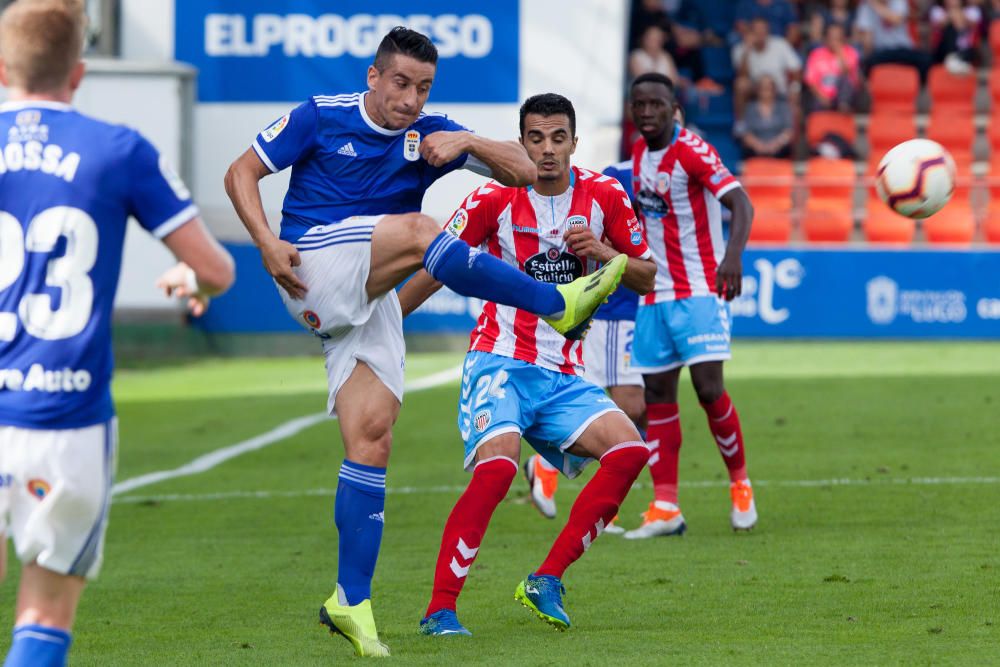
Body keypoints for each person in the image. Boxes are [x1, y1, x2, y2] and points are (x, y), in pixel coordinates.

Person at [222, 28, 626, 658]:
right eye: (401, 83)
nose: (411, 100)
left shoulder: (431, 132)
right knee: (419, 231)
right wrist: (264, 242)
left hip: (367, 297)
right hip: (310, 263)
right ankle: (558, 301)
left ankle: (349, 601)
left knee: (373, 437)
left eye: (423, 87)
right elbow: (240, 172)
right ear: (373, 77)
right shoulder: (319, 117)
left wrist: (465, 140)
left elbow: (522, 172)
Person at [0, 2, 235, 666]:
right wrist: (192, 280)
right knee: (43, 613)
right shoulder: (118, 148)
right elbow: (218, 268)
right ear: (78, 73)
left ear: (0, 68)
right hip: (67, 418)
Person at [397, 93, 656, 635]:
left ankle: (547, 579)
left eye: (558, 138)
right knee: (497, 469)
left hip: (563, 373)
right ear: (521, 144)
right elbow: (436, 263)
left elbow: (646, 274)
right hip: (500, 360)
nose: (547, 150)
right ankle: (439, 610)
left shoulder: (605, 195)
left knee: (631, 450)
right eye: (535, 139)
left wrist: (606, 252)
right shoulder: (492, 197)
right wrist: (388, 319)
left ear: (574, 143)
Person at [624, 72, 758, 539]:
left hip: (699, 289)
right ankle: (665, 506)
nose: (646, 112)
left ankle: (740, 483)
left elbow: (741, 203)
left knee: (707, 389)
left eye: (655, 104)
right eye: (638, 104)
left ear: (673, 107)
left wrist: (733, 256)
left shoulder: (693, 150)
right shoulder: (640, 153)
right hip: (654, 295)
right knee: (657, 396)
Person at [732, 17, 802, 119]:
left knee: (796, 101)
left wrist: (795, 87)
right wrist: (747, 51)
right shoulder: (740, 49)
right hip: (756, 90)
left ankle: (791, 132)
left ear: (768, 32)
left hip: (779, 89)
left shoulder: (780, 44)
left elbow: (797, 69)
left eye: (763, 30)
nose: (760, 34)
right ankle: (741, 123)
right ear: (750, 33)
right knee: (741, 84)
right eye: (757, 31)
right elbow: (742, 75)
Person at [855, 0, 932, 83]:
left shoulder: (898, 1)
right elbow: (868, 41)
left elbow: (896, 20)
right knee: (869, 63)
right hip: (881, 52)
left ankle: (914, 88)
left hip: (903, 49)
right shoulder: (865, 7)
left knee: (926, 60)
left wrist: (874, 4)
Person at [804, 22, 863, 113]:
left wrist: (840, 53)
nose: (834, 41)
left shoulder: (851, 52)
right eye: (831, 38)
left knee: (845, 80)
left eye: (838, 38)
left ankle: (843, 107)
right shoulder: (816, 54)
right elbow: (811, 81)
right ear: (825, 39)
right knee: (814, 102)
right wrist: (823, 98)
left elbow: (848, 74)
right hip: (821, 97)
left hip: (844, 97)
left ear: (843, 39)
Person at [737, 75, 795, 158]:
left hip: (779, 150)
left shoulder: (783, 107)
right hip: (755, 150)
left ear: (774, 90)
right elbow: (746, 132)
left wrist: (775, 145)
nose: (766, 92)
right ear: (758, 90)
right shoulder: (750, 108)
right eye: (762, 88)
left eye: (768, 88)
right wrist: (758, 146)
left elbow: (788, 131)